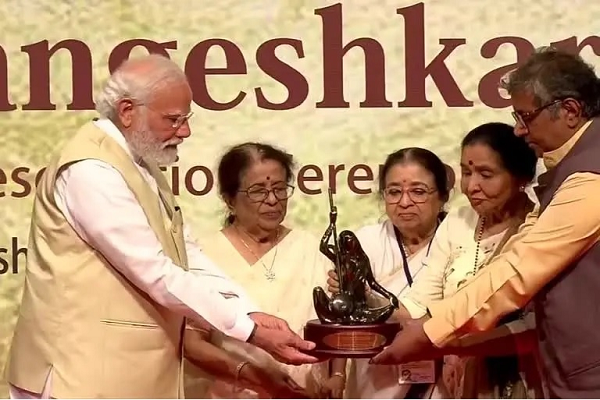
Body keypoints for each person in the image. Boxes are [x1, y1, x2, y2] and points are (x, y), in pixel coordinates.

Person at [4, 55, 317, 399]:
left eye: (186, 119)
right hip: (78, 375)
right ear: (127, 111)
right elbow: (156, 271)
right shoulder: (92, 170)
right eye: (173, 120)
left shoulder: (140, 162)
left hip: (122, 375)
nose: (185, 131)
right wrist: (249, 331)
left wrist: (247, 311)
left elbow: (184, 255)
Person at [371, 47, 600, 398]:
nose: (519, 130)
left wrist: (433, 331)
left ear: (569, 111)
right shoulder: (566, 173)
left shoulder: (591, 177)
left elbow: (519, 269)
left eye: (526, 117)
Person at [183, 142, 342, 399]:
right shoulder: (204, 255)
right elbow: (192, 343)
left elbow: (336, 326)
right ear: (230, 200)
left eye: (279, 189)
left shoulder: (311, 248)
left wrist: (338, 376)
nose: (272, 200)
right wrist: (254, 377)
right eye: (258, 191)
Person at [328, 147, 453, 398]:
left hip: (443, 380)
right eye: (394, 192)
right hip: (374, 382)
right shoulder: (366, 241)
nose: (404, 202)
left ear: (442, 196)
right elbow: (343, 319)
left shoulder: (458, 240)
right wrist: (338, 374)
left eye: (418, 191)